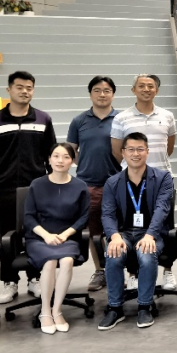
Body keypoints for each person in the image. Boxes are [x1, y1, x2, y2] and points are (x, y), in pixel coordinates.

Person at [0, 71, 55, 305]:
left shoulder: (43, 119)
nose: (25, 91)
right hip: (5, 189)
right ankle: (9, 281)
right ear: (9, 90)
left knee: (36, 233)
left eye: (29, 88)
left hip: (37, 187)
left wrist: (53, 182)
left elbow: (51, 154)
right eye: (20, 87)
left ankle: (35, 278)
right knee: (7, 236)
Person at [98, 132, 175, 331]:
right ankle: (115, 308)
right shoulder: (113, 182)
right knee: (113, 253)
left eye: (140, 149)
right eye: (131, 149)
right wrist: (114, 236)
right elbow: (107, 214)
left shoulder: (163, 178)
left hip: (150, 232)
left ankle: (144, 306)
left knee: (146, 255)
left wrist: (150, 235)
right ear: (123, 153)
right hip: (123, 233)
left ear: (147, 152)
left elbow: (162, 209)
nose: (136, 153)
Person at [111, 73, 177, 289]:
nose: (146, 89)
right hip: (132, 181)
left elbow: (169, 147)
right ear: (133, 90)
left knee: (165, 227)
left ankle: (168, 271)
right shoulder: (122, 118)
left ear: (156, 90)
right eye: (141, 86)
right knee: (131, 227)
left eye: (151, 86)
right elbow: (117, 151)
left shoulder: (167, 115)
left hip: (161, 180)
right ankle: (133, 273)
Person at [23, 143, 90, 334]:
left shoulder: (80, 186)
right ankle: (45, 311)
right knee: (50, 261)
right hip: (39, 238)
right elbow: (28, 217)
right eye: (56, 156)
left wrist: (65, 234)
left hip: (66, 237)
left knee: (67, 261)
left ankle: (57, 310)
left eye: (66, 157)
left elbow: (84, 217)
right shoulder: (37, 184)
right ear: (49, 159)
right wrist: (46, 235)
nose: (60, 160)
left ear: (72, 161)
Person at [67, 76, 121, 292]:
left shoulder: (121, 119)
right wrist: (86, 162)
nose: (102, 94)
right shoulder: (79, 121)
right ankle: (101, 270)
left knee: (118, 229)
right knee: (94, 232)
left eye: (107, 90)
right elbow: (71, 150)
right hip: (88, 184)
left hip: (116, 183)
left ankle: (119, 269)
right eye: (97, 90)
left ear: (113, 94)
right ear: (90, 94)